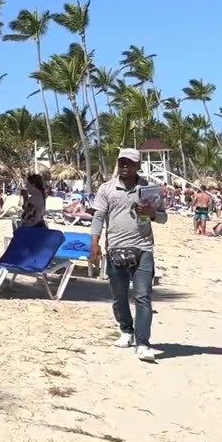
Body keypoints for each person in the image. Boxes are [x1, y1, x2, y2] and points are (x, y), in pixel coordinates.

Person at [89, 148, 165, 363]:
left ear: (137, 166)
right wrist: (94, 243)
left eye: (129, 163)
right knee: (119, 295)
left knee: (143, 296)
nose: (125, 166)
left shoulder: (149, 190)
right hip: (115, 248)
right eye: (122, 162)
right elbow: (98, 217)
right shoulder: (107, 189)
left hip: (143, 249)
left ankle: (143, 343)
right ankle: (126, 331)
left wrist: (152, 214)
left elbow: (163, 218)